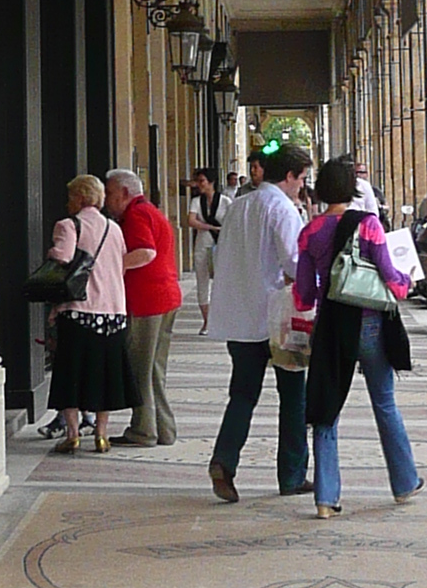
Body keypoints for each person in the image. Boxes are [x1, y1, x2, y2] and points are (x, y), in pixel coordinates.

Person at [295, 154, 421, 515]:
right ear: (353, 190)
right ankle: (404, 482)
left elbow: (304, 294)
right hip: (369, 323)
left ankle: (326, 498)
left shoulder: (310, 232)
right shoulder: (368, 225)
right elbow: (388, 274)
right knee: (384, 402)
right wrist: (406, 283)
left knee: (325, 408)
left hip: (331, 326)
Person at [206, 139, 312, 501]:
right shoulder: (282, 209)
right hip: (279, 319)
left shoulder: (239, 205)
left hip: (240, 316)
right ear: (289, 175)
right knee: (293, 395)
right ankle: (292, 475)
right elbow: (294, 264)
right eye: (301, 178)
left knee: (242, 394)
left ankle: (224, 459)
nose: (302, 186)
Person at [43, 175, 128, 453]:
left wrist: (52, 252)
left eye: (70, 197)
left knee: (71, 372)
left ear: (80, 198)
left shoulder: (68, 226)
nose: (68, 202)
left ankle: (73, 433)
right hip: (113, 311)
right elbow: (121, 264)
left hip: (78, 310)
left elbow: (62, 260)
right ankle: (102, 434)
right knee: (105, 374)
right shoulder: (114, 229)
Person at [108, 166, 181, 444]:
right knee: (154, 369)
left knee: (140, 368)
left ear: (125, 193)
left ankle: (143, 430)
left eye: (111, 194)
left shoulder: (136, 214)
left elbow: (145, 251)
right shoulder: (151, 211)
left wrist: (111, 266)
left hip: (147, 300)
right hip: (165, 297)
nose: (107, 200)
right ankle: (164, 429)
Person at [187, 168, 220, 333]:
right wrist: (211, 227)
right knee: (202, 283)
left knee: (220, 282)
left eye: (202, 181)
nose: (199, 184)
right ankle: (207, 320)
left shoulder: (225, 201)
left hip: (219, 246)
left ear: (211, 182)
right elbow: (191, 221)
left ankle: (217, 319)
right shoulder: (196, 201)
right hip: (202, 245)